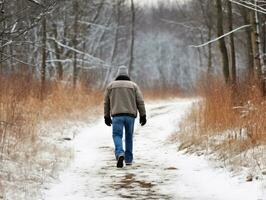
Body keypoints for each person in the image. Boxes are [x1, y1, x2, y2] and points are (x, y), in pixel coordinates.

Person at [104, 66, 147, 168]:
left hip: (117, 116)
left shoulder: (111, 86)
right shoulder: (133, 86)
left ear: (118, 74)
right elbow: (140, 101)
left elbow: (106, 102)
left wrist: (106, 116)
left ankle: (120, 153)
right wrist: (143, 115)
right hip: (130, 116)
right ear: (127, 74)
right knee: (129, 137)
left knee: (117, 135)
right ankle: (128, 159)